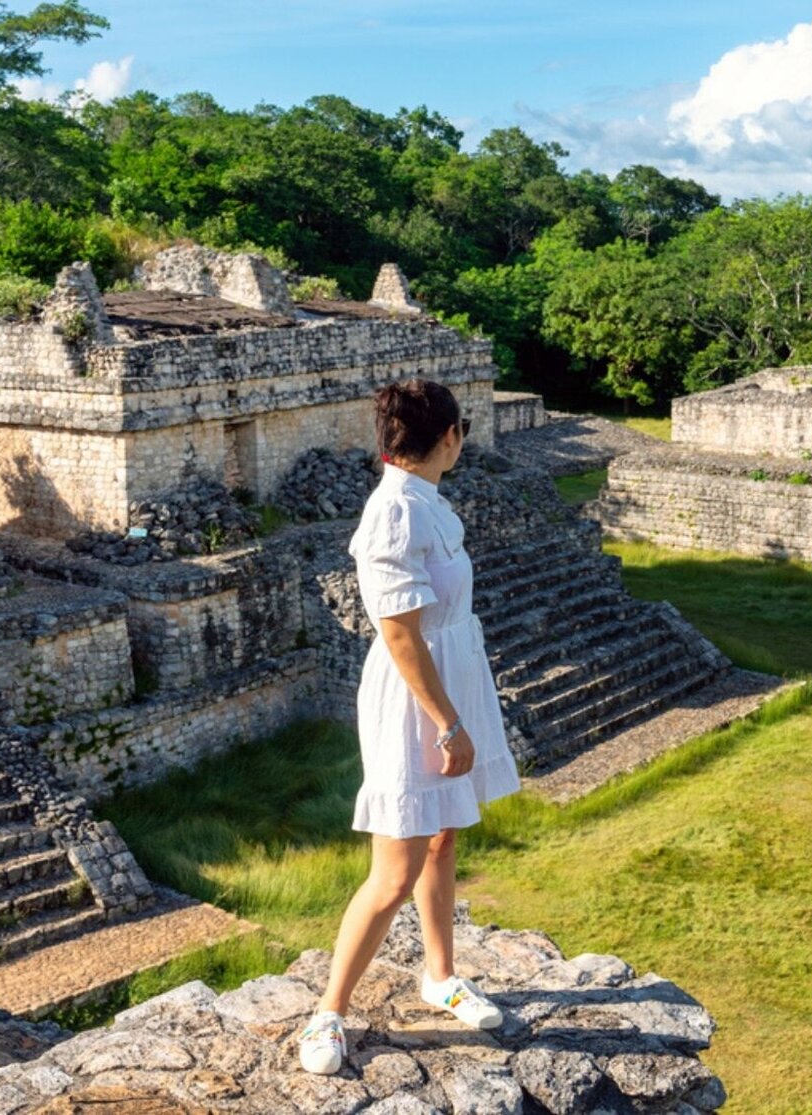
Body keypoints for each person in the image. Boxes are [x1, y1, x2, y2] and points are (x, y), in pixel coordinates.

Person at [298, 378, 521, 1076]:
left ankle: (440, 974)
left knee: (443, 833)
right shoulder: (395, 511)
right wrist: (449, 723)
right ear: (450, 436)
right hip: (414, 697)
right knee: (394, 869)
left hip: (449, 675)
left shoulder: (427, 500)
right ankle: (328, 1011)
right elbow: (399, 635)